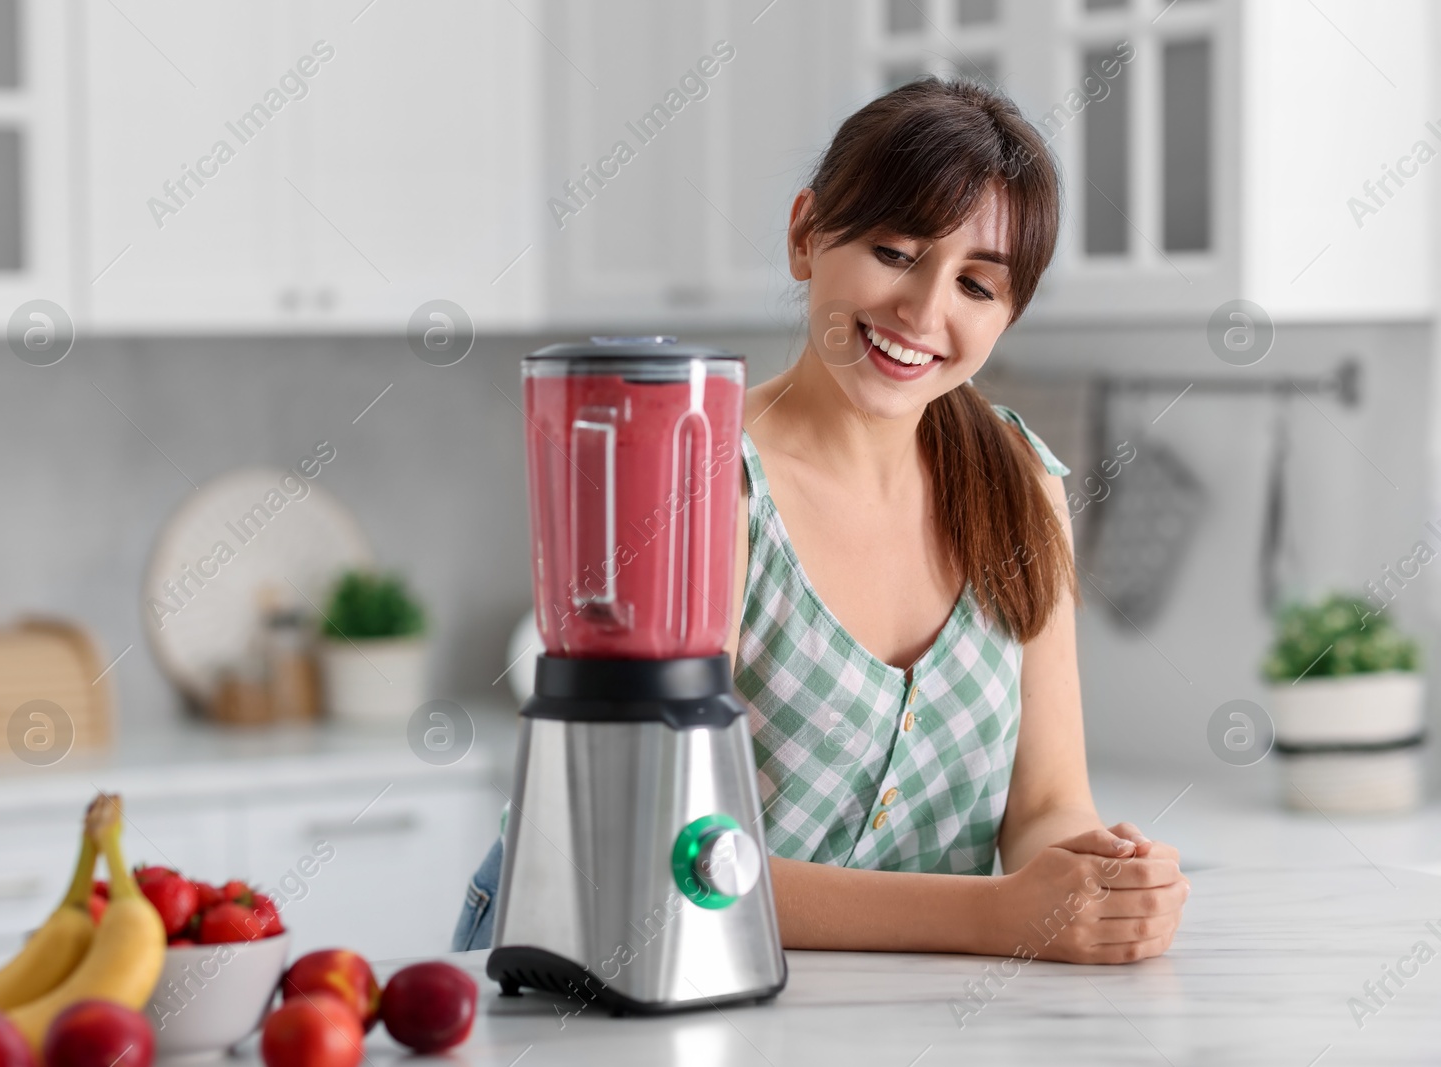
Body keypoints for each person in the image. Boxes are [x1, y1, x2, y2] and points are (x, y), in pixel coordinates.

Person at [453, 76, 1189, 964]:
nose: (924, 312)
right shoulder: (698, 489)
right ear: (806, 234)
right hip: (611, 980)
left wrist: (1095, 876)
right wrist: (998, 917)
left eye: (977, 285)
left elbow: (1044, 804)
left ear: (1010, 311)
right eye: (894, 251)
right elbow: (658, 860)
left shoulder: (1023, 485)